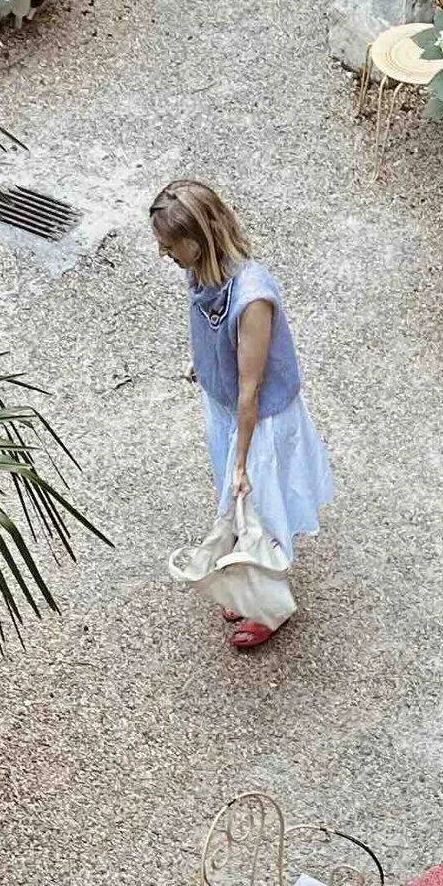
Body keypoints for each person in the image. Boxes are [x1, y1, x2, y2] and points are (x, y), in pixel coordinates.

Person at [152, 177, 334, 651]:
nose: (164, 254)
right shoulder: (201, 276)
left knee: (261, 512)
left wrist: (240, 464)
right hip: (227, 408)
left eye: (170, 245)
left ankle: (269, 608)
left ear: (197, 241)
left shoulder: (252, 298)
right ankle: (249, 583)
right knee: (238, 510)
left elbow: (251, 390)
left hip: (260, 421)